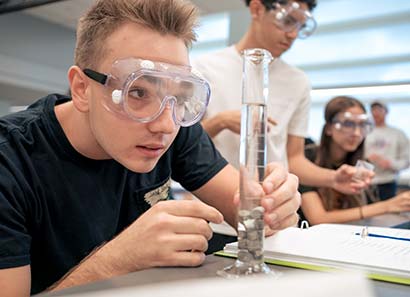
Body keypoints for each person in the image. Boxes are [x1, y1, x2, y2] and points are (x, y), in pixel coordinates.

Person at [0, 0, 303, 295]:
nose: (165, 126)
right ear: (81, 89)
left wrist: (272, 207)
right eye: (138, 92)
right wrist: (115, 261)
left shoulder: (173, 126)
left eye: (181, 96)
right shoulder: (10, 160)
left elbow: (246, 210)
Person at [193, 0, 368, 195]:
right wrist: (220, 121)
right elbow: (182, 146)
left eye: (300, 26)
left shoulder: (297, 81)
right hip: (215, 207)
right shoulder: (205, 69)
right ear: (257, 9)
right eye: (288, 21)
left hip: (274, 208)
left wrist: (333, 178)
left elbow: (294, 159)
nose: (293, 34)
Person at [299, 96, 410, 225]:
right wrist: (387, 206)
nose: (357, 133)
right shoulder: (305, 159)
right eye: (348, 124)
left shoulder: (362, 162)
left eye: (362, 125)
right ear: (329, 128)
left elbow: (365, 212)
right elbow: (318, 219)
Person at [365, 101, 410, 200]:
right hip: (367, 182)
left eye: (379, 110)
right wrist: (367, 159)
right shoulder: (363, 132)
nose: (376, 113)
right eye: (373, 110)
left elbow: (406, 161)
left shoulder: (398, 134)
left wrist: (390, 163)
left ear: (386, 112)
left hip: (388, 182)